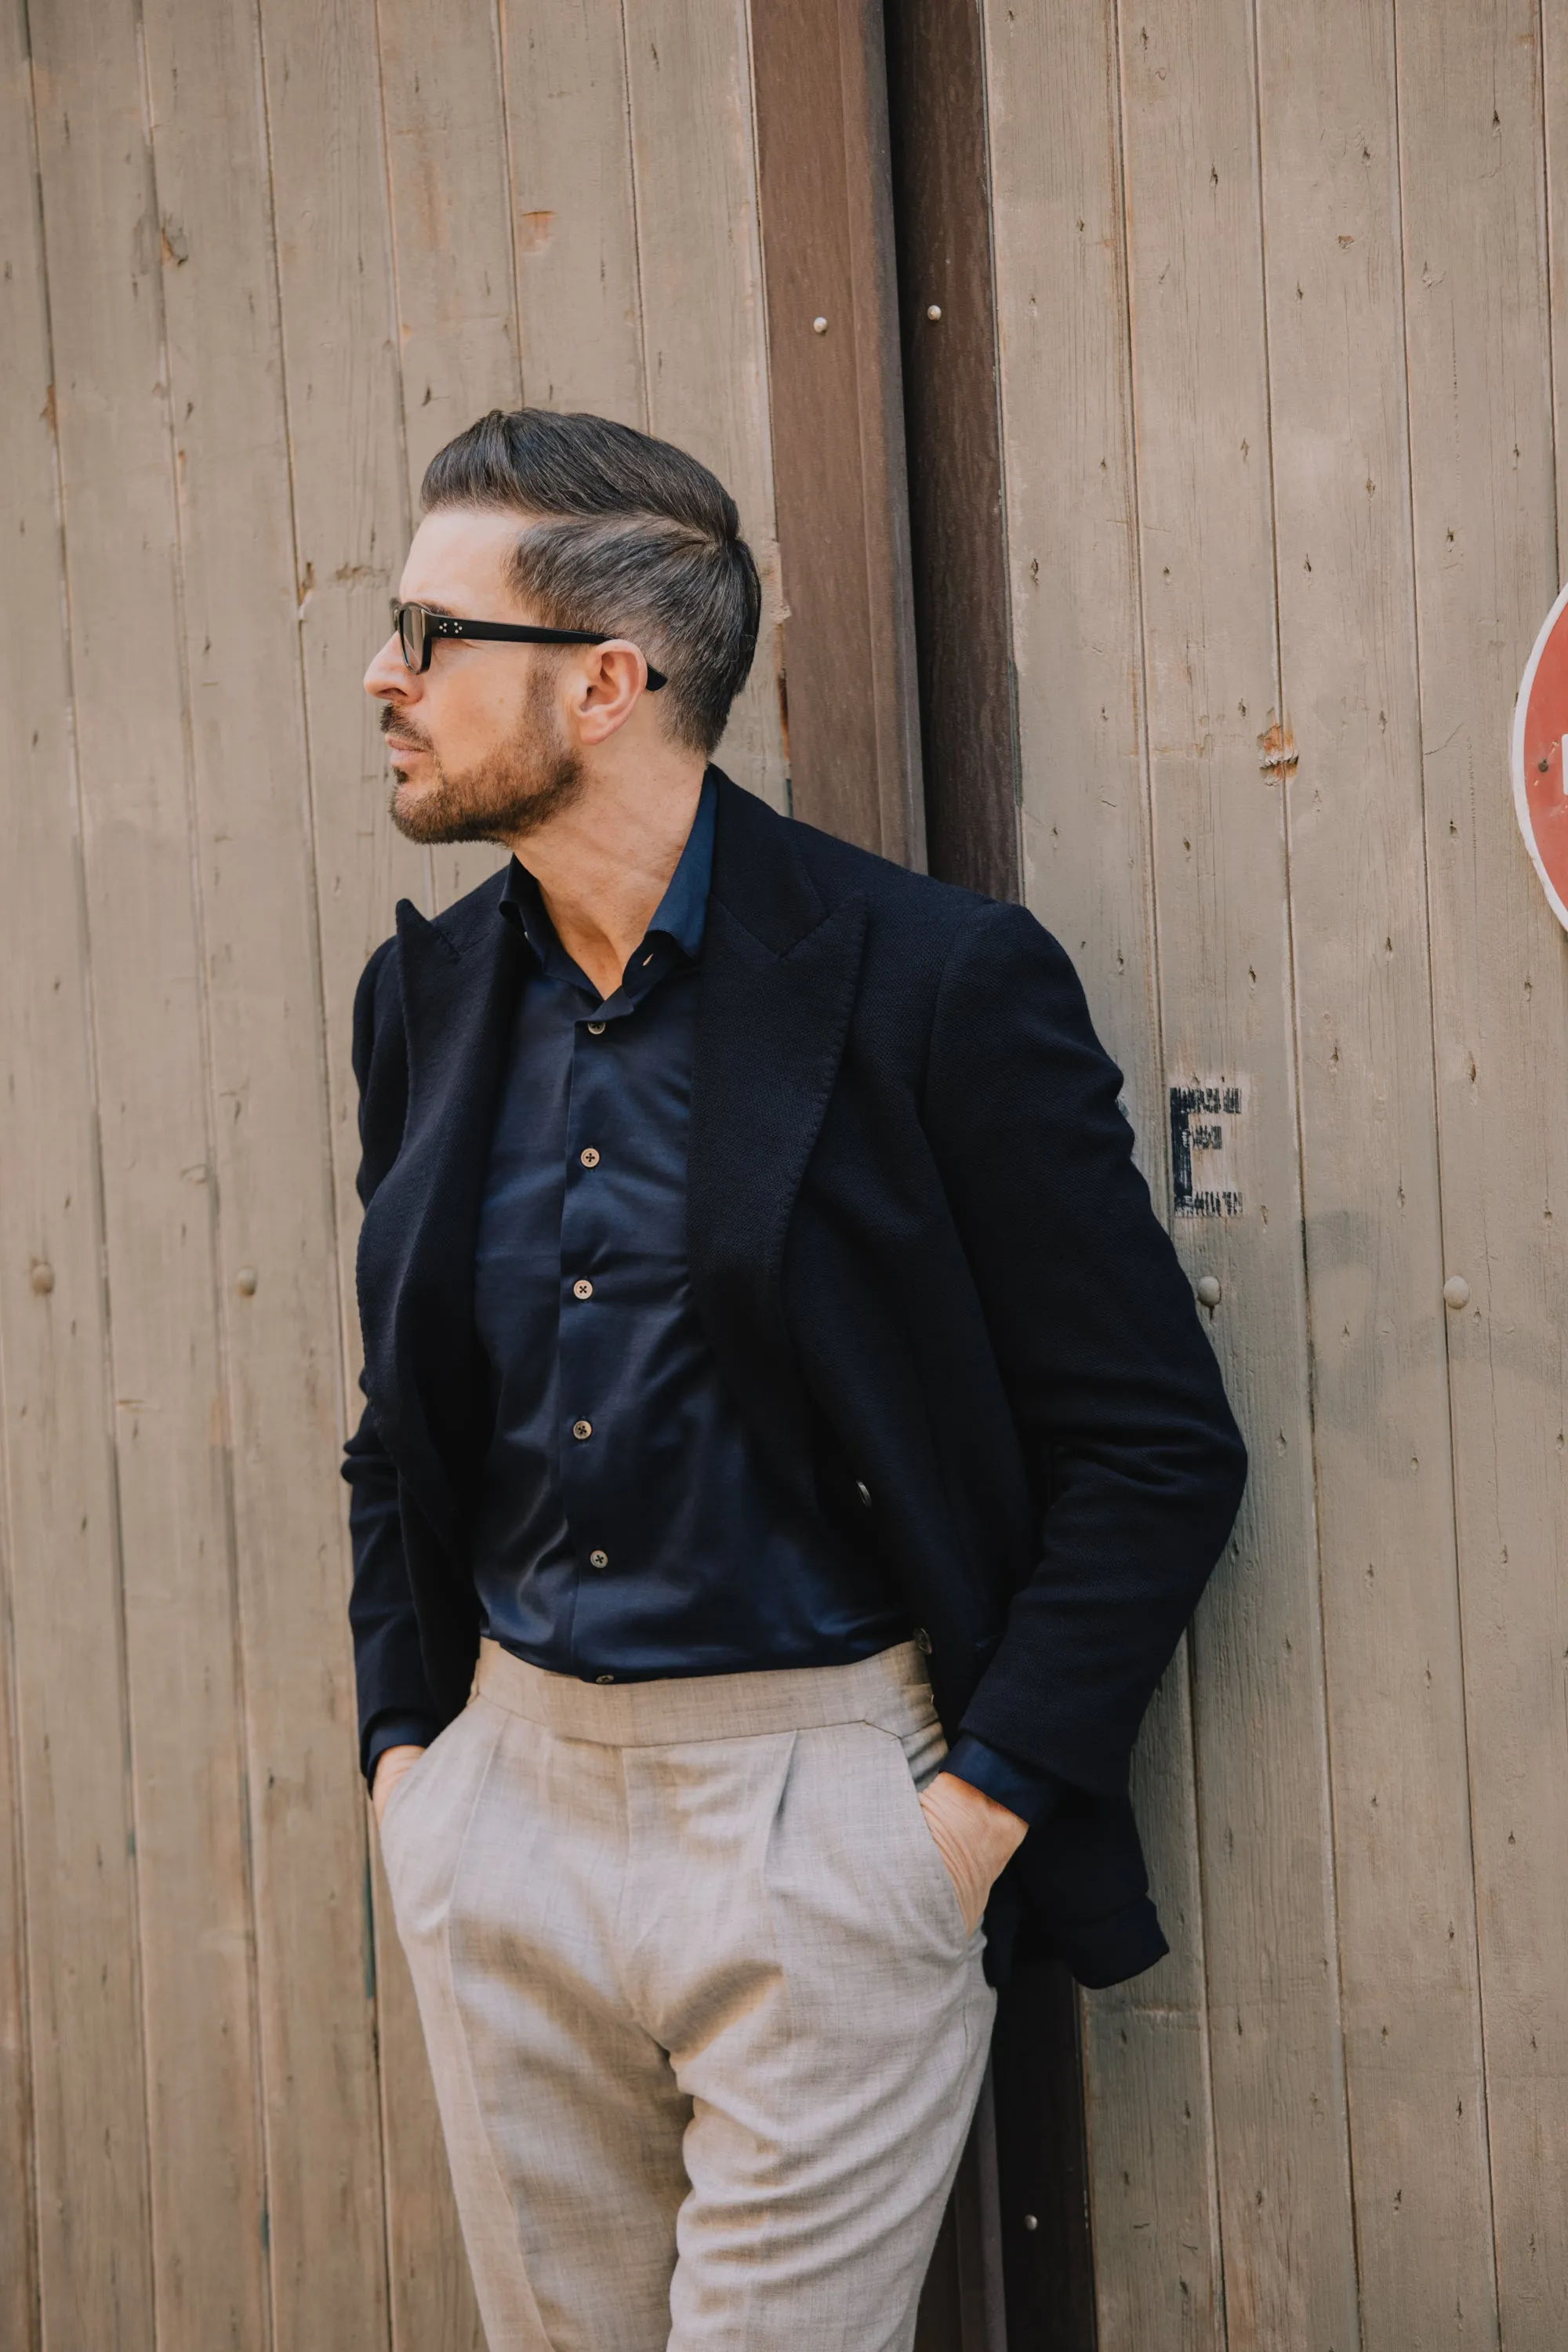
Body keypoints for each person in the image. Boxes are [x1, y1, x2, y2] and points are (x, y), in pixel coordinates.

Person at [347, 406, 1247, 2352]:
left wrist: (964, 1822)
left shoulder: (931, 981)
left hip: (821, 1818)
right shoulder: (418, 1006)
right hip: (501, 1804)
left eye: (429, 631)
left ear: (604, 680)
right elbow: (392, 1435)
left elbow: (1156, 1446)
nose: (381, 675)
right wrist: (414, 1770)